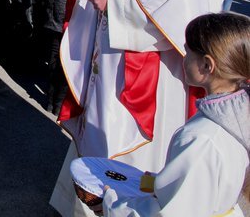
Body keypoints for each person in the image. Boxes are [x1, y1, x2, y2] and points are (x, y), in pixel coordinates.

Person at [37, 0, 212, 216]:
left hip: (143, 70)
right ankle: (89, 201)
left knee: (128, 149)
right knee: (98, 137)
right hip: (108, 61)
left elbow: (176, 3)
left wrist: (114, 1)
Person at [103, 12, 250, 217]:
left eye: (187, 51)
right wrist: (158, 182)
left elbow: (170, 212)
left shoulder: (202, 138)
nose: (184, 57)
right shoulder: (238, 117)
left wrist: (110, 204)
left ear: (207, 65)